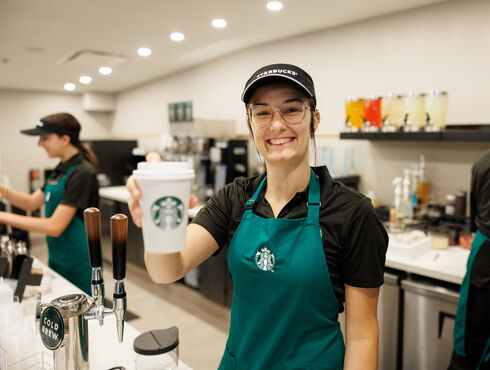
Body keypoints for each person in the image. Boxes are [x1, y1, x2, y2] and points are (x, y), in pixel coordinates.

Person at [127, 63, 388, 369]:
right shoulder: (235, 198)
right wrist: (157, 215)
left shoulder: (352, 212)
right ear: (250, 125)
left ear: (314, 120)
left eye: (292, 110)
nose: (276, 125)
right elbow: (166, 270)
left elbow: (362, 335)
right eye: (262, 113)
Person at [0, 113, 99, 294]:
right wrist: (3, 191)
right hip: (57, 257)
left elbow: (55, 226)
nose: (39, 143)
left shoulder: (82, 172)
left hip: (77, 262)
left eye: (45, 138)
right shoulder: (60, 169)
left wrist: (3, 217)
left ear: (65, 139)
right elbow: (31, 203)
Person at [449, 150, 490, 370]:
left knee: (471, 345)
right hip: (484, 257)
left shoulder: (483, 163)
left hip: (483, 254)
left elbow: (474, 218)